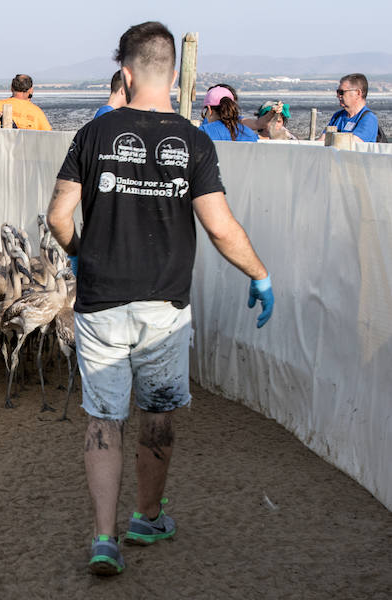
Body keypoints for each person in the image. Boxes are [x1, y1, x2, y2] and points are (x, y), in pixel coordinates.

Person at [46, 20, 274, 577]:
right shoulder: (194, 141)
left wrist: (80, 253)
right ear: (174, 76)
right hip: (165, 307)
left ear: (125, 73)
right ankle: (147, 516)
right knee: (157, 414)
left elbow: (57, 216)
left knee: (104, 417)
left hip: (101, 301)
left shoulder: (93, 134)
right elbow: (220, 228)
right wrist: (259, 274)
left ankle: (104, 538)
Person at [320, 73, 383, 143]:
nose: (338, 96)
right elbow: (321, 141)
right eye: (338, 92)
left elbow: (352, 144)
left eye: (341, 92)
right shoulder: (337, 117)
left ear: (358, 93)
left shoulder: (369, 119)